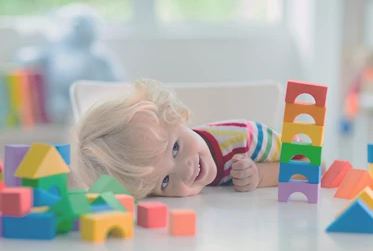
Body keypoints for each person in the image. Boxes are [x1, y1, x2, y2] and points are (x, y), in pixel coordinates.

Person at [70, 78, 325, 199]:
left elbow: (315, 166)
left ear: (177, 117)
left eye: (175, 149)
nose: (186, 169)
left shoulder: (245, 139)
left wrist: (260, 175)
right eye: (165, 181)